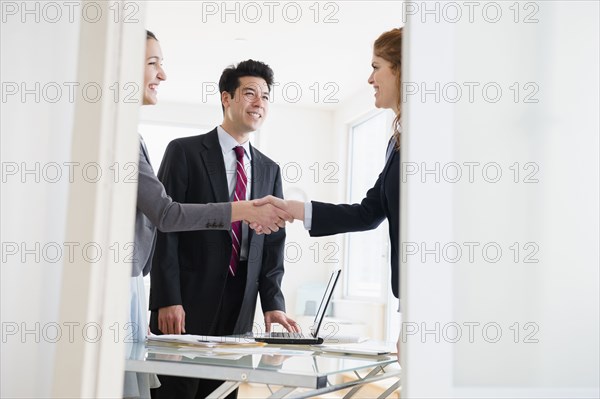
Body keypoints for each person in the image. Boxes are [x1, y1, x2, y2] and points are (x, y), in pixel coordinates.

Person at [123, 32, 292, 399]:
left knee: (222, 391)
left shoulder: (270, 169)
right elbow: (164, 225)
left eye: (265, 96)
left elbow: (272, 245)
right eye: (249, 93)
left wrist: (273, 305)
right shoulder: (183, 151)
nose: (258, 103)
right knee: (176, 391)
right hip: (186, 301)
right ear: (226, 98)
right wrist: (167, 297)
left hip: (239, 304)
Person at [255, 27, 402, 357]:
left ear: (401, 69)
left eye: (376, 66)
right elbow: (368, 212)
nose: (369, 79)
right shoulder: (396, 143)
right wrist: (293, 209)